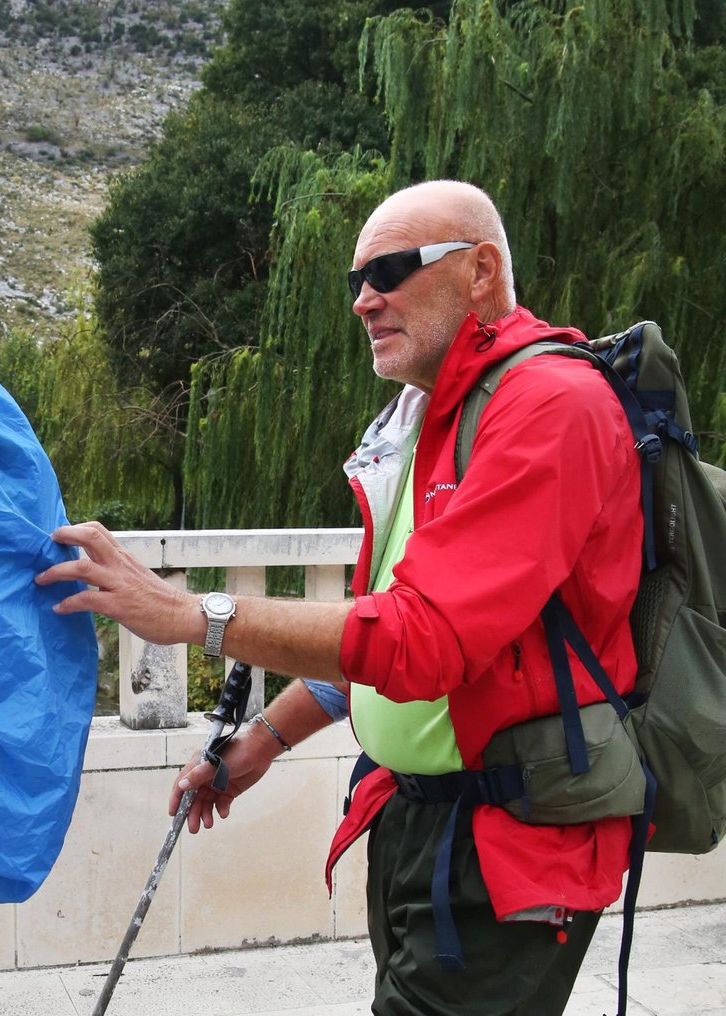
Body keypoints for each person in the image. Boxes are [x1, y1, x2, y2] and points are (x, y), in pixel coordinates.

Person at [36, 180, 643, 1014]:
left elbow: (422, 638)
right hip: (423, 827)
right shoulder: (433, 419)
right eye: (355, 280)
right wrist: (265, 738)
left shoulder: (548, 405)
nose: (364, 300)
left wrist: (197, 617)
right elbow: (381, 630)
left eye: (391, 270)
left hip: (509, 851)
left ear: (481, 270)